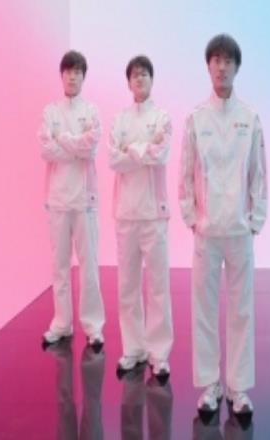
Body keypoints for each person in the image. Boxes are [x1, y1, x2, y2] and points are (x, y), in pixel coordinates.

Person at [179, 34, 267, 415]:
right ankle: (210, 385)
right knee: (204, 309)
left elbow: (258, 174)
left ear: (237, 67)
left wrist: (255, 220)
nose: (222, 67)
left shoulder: (250, 118)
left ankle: (238, 387)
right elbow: (185, 173)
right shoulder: (197, 118)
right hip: (207, 231)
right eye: (216, 60)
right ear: (208, 66)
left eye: (228, 61)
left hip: (239, 231)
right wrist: (191, 218)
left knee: (242, 310)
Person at [109, 55, 174, 377]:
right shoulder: (119, 119)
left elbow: (161, 154)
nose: (139, 79)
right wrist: (143, 149)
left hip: (153, 214)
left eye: (144, 74)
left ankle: (158, 353)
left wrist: (130, 149)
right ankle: (133, 348)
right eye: (134, 75)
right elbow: (113, 159)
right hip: (126, 214)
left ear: (152, 79)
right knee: (127, 286)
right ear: (129, 82)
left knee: (158, 285)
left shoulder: (162, 117)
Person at [39, 50, 105, 351]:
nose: (72, 76)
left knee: (89, 265)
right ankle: (61, 323)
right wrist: (74, 146)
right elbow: (46, 150)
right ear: (61, 75)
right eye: (68, 71)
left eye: (77, 72)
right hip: (57, 200)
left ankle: (93, 326)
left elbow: (90, 148)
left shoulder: (91, 111)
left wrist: (62, 139)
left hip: (84, 200)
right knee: (60, 265)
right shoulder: (50, 111)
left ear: (83, 76)